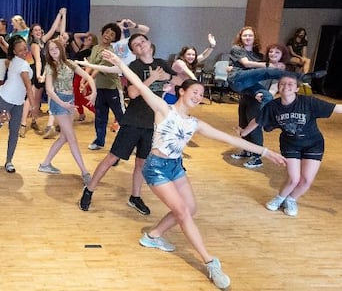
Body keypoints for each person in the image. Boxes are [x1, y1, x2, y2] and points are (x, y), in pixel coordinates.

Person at [101, 48, 286, 290]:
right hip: (155, 168)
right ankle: (210, 262)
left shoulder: (194, 123)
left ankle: (153, 236)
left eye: (201, 93)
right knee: (183, 213)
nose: (199, 96)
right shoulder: (163, 110)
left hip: (176, 166)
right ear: (181, 91)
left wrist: (264, 151)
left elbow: (228, 139)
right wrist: (119, 63)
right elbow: (140, 85)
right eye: (195, 91)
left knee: (190, 208)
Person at [79, 33, 175, 215]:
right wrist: (153, 78)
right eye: (136, 45)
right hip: (133, 120)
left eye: (143, 41)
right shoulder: (134, 66)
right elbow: (132, 93)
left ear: (149, 42)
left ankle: (135, 197)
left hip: (152, 123)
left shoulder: (162, 63)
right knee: (112, 158)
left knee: (142, 162)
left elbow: (177, 80)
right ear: (134, 51)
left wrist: (169, 80)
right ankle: (89, 190)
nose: (141, 45)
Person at [237, 73, 341, 217]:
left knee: (306, 180)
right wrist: (243, 133)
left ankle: (291, 199)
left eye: (290, 84)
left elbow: (336, 108)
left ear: (297, 88)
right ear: (278, 87)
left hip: (314, 144)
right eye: (282, 84)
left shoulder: (308, 102)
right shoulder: (273, 106)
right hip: (290, 144)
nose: (286, 87)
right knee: (294, 178)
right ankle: (279, 198)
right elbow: (257, 120)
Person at [37, 39, 97, 184]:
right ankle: (85, 172)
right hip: (60, 103)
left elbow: (88, 76)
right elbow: (50, 91)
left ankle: (45, 164)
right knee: (72, 138)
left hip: (70, 101)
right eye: (50, 49)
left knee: (64, 137)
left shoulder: (70, 63)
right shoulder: (50, 67)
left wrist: (93, 92)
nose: (53, 51)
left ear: (61, 48)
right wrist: (63, 103)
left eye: (55, 48)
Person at [0, 36, 36, 173]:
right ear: (15, 52)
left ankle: (9, 161)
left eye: (25, 48)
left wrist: (2, 42)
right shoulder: (23, 65)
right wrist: (33, 106)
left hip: (18, 103)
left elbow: (8, 49)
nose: (24, 52)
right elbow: (29, 87)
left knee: (14, 132)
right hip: (4, 101)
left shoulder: (17, 58)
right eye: (20, 50)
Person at [22, 9, 65, 136]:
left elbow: (52, 29)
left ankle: (34, 120)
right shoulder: (35, 44)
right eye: (35, 30)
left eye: (40, 30)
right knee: (30, 98)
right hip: (38, 71)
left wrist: (59, 14)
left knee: (37, 99)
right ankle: (23, 124)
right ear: (32, 33)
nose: (38, 32)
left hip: (44, 72)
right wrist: (39, 75)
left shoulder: (43, 41)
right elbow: (39, 61)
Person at [86, 22, 125, 151]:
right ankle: (99, 141)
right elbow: (90, 65)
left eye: (112, 34)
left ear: (114, 39)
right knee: (100, 116)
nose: (108, 35)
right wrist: (84, 80)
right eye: (107, 32)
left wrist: (87, 81)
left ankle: (131, 141)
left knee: (121, 117)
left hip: (113, 88)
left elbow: (97, 69)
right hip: (100, 88)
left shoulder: (110, 51)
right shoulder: (96, 48)